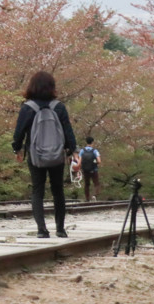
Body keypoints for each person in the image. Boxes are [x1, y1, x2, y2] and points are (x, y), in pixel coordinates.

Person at [11, 71, 77, 238]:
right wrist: (71, 150)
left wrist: (17, 149)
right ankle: (60, 229)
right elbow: (68, 131)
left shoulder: (28, 107)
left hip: (35, 155)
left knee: (37, 190)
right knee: (58, 190)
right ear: (52, 87)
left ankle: (42, 230)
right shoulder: (59, 107)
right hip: (57, 155)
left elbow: (19, 132)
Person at [78, 136, 101, 202]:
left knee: (86, 184)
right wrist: (94, 163)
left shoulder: (82, 151)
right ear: (92, 142)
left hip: (85, 170)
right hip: (94, 170)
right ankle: (94, 195)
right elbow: (99, 161)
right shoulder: (95, 151)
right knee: (96, 183)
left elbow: (79, 162)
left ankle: (87, 199)